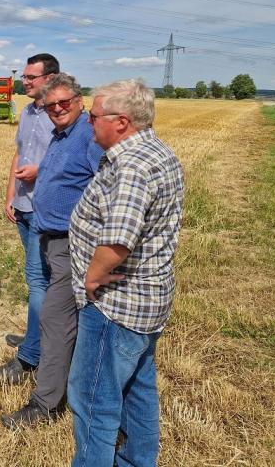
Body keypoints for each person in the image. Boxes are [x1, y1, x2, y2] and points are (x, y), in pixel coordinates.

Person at [67, 79, 184, 466]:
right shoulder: (156, 152)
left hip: (115, 306)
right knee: (138, 389)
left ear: (121, 122)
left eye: (94, 116)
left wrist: (91, 277)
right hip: (148, 301)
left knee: (92, 400)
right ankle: (137, 459)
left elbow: (117, 242)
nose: (89, 122)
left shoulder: (131, 167)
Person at [1, 73, 103, 429]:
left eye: (65, 102)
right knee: (62, 318)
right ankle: (65, 383)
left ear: (80, 101)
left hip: (71, 243)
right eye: (51, 104)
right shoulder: (62, 135)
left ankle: (44, 406)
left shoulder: (89, 136)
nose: (57, 109)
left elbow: (104, 185)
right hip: (50, 238)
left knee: (55, 319)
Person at [0, 53, 59, 385]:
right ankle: (37, 336)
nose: (24, 81)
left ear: (50, 78)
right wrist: (10, 193)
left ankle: (30, 356)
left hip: (45, 210)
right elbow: (20, 154)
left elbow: (69, 162)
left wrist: (39, 172)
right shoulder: (29, 113)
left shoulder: (61, 115)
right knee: (38, 281)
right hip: (23, 206)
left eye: (32, 77)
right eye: (25, 76)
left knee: (38, 282)